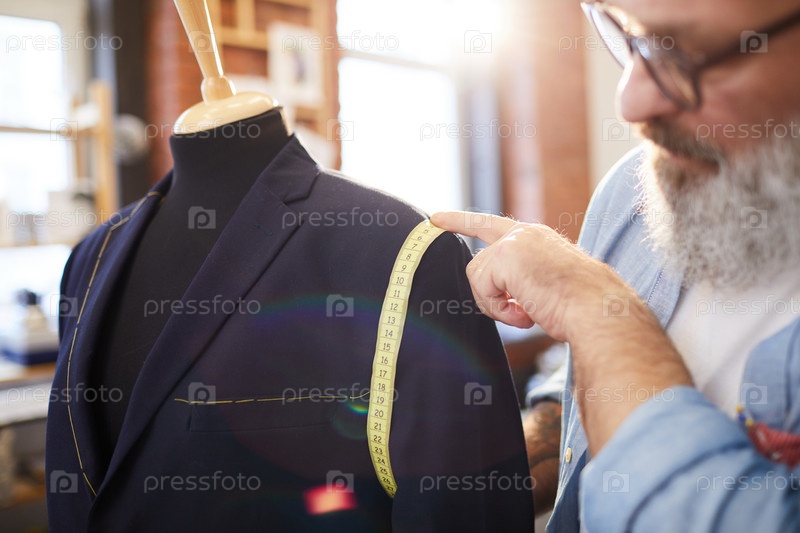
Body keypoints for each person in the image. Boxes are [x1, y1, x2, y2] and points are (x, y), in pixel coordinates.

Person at [433, 0, 800, 530]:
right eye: (632, 39)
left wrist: (594, 309)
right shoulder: (638, 190)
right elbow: (577, 391)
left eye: (683, 54)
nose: (629, 101)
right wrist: (467, 490)